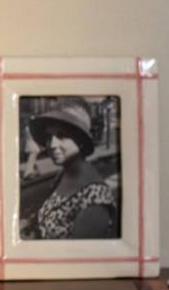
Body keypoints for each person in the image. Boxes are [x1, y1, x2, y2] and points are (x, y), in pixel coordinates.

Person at [21, 98, 117, 240]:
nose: (52, 144)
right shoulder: (62, 175)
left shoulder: (95, 197)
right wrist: (31, 224)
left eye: (62, 135)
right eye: (49, 136)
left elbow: (77, 257)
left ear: (80, 139)